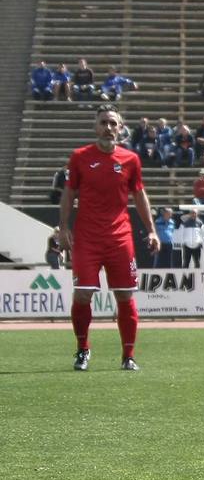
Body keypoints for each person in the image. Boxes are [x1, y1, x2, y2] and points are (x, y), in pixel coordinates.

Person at [57, 106, 160, 371]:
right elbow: (69, 194)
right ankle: (82, 350)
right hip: (87, 238)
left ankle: (128, 356)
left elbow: (139, 196)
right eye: (103, 123)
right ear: (96, 127)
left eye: (113, 123)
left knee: (125, 296)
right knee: (82, 295)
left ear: (120, 128)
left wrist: (151, 230)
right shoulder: (80, 157)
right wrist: (63, 227)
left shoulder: (130, 159)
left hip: (119, 238)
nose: (108, 128)